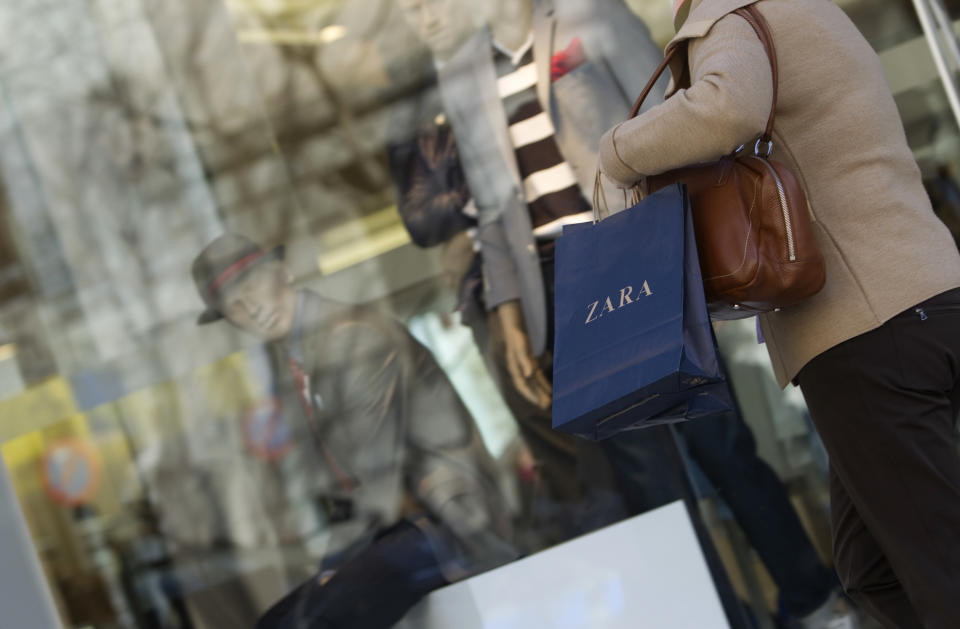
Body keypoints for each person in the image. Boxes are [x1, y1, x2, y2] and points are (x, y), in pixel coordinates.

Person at [397, 1, 857, 627]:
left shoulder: (589, 16)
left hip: (638, 248)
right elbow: (495, 208)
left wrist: (670, 242)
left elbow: (675, 115)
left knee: (717, 441)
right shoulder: (464, 72)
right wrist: (507, 311)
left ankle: (811, 596)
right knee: (647, 476)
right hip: (561, 278)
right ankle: (718, 614)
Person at [598, 0, 960, 627]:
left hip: (864, 332)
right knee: (871, 566)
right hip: (921, 297)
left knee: (935, 565)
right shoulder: (804, 8)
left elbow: (724, 108)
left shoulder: (729, 16)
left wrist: (616, 149)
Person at [190, 234, 517, 629]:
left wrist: (332, 567)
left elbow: (377, 481)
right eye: (235, 307)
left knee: (309, 621)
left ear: (283, 272)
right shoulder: (295, 362)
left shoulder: (350, 338)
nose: (253, 309)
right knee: (277, 622)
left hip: (448, 521)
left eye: (254, 286)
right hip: (398, 528)